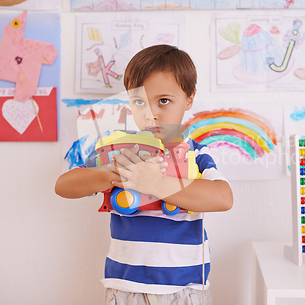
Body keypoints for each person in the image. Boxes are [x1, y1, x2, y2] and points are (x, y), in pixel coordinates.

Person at [55, 45, 233, 305]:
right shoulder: (117, 150)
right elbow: (63, 186)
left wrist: (158, 184)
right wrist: (110, 174)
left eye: (163, 100)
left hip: (186, 289)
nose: (151, 114)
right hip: (125, 287)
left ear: (190, 98)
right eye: (139, 101)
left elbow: (223, 198)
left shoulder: (196, 153)